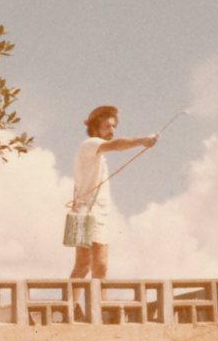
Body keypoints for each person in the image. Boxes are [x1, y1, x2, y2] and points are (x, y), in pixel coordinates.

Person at [68, 105, 158, 279]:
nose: (112, 130)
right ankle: (70, 298)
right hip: (85, 212)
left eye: (114, 126)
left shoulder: (98, 155)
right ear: (95, 128)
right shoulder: (90, 144)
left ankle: (98, 298)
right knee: (84, 265)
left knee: (100, 266)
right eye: (107, 126)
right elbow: (116, 145)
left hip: (98, 213)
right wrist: (142, 141)